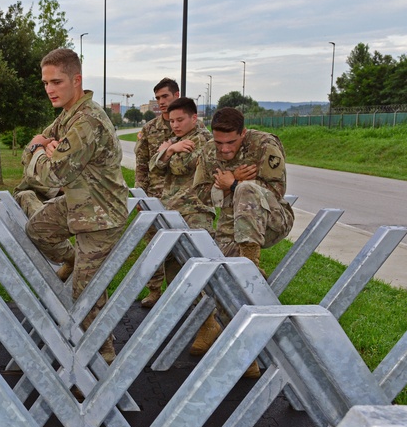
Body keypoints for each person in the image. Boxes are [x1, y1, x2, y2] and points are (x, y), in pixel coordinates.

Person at [22, 48, 128, 364]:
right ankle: (71, 258)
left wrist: (37, 151)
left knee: (86, 298)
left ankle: (101, 362)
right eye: (45, 83)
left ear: (76, 80)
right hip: (78, 204)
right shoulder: (68, 115)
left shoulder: (87, 121)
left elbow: (51, 175)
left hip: (101, 215)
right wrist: (41, 146)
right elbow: (39, 141)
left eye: (56, 81)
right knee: (37, 229)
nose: (49, 89)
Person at [180, 106, 294, 376]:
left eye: (231, 142)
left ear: (243, 133)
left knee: (245, 188)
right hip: (233, 228)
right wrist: (221, 187)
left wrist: (235, 185)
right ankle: (246, 355)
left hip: (273, 220)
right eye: (219, 142)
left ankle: (250, 263)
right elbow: (200, 195)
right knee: (221, 274)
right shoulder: (210, 151)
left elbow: (277, 191)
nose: (224, 149)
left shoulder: (264, 144)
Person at [142, 96, 214, 309]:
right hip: (173, 211)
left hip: (195, 211)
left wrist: (166, 152)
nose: (175, 125)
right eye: (172, 121)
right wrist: (171, 150)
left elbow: (181, 167)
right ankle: (184, 317)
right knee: (174, 269)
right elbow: (154, 166)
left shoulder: (203, 139)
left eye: (180, 120)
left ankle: (207, 321)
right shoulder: (176, 141)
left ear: (194, 118)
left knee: (197, 268)